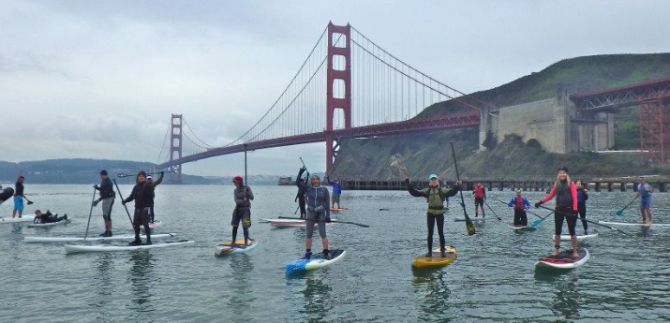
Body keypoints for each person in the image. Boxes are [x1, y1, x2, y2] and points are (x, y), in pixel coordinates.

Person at [406, 174, 461, 258]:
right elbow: (415, 193)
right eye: (432, 179)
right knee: (430, 233)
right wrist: (408, 185)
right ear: (430, 182)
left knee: (441, 233)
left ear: (437, 181)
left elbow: (452, 192)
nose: (434, 181)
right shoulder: (427, 191)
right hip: (430, 214)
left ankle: (442, 252)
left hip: (440, 213)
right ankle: (429, 253)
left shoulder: (442, 190)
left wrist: (457, 186)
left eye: (435, 179)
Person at [535, 167, 579, 257]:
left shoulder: (571, 184)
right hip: (558, 210)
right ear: (558, 175)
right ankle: (556, 250)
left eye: (563, 173)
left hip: (569, 209)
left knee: (572, 231)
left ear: (566, 174)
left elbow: (575, 198)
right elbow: (550, 196)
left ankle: (575, 251)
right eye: (560, 173)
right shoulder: (557, 184)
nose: (562, 174)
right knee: (557, 231)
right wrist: (540, 202)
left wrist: (575, 209)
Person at [297, 167, 331, 260]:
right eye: (313, 179)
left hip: (321, 213)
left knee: (323, 233)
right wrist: (300, 172)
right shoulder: (308, 189)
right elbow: (298, 183)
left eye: (316, 179)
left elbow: (327, 203)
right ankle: (308, 252)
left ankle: (326, 252)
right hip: (310, 212)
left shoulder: (324, 190)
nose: (315, 180)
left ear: (319, 181)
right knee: (308, 234)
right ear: (311, 181)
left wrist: (328, 216)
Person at [122, 171, 152, 245]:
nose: (141, 177)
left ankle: (149, 240)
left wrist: (148, 182)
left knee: (145, 224)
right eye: (139, 176)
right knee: (136, 224)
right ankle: (137, 239)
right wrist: (125, 201)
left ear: (145, 178)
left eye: (142, 176)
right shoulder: (136, 187)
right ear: (137, 178)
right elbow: (132, 196)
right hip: (137, 208)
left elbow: (151, 195)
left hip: (145, 208)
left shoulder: (147, 186)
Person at [231, 176, 254, 247]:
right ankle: (233, 242)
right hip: (237, 209)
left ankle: (246, 243)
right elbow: (236, 201)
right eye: (234, 182)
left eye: (235, 182)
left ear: (239, 182)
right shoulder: (235, 191)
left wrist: (247, 194)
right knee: (235, 226)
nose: (234, 184)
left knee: (245, 226)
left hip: (246, 210)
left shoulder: (247, 188)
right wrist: (243, 199)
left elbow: (252, 198)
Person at [93, 170, 115, 237]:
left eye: (102, 175)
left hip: (109, 199)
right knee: (105, 216)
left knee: (107, 216)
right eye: (100, 175)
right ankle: (106, 231)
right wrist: (97, 188)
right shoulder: (103, 181)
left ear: (105, 175)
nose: (101, 177)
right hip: (105, 199)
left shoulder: (108, 182)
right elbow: (102, 189)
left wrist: (98, 200)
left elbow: (106, 194)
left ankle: (109, 232)